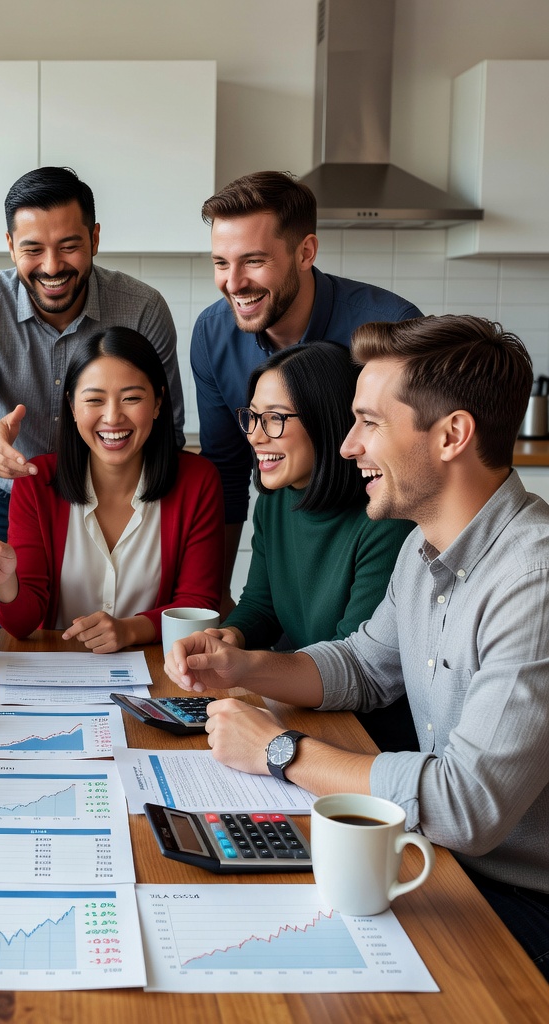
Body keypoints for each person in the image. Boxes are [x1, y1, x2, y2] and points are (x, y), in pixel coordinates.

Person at [167, 314, 549, 979]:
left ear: (452, 436)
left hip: (516, 900)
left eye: (370, 423)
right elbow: (363, 668)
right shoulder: (422, 548)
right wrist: (241, 664)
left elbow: (465, 805)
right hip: (433, 855)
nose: (348, 447)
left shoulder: (532, 583)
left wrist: (280, 752)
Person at [0, 166, 186, 610]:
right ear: (11, 244)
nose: (52, 267)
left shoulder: (142, 308)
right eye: (33, 249)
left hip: (113, 504)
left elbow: (169, 425)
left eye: (69, 246)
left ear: (94, 238)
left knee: (110, 633)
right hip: (5, 498)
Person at [190, 170, 422, 605]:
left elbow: (414, 462)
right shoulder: (212, 334)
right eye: (221, 263)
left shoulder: (391, 326)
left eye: (253, 261)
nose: (234, 283)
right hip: (286, 535)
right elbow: (226, 467)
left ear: (305, 252)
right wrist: (215, 593)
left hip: (379, 541)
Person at [0, 327, 223, 651]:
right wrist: (4, 581)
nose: (113, 417)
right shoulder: (37, 481)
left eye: (131, 398)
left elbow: (196, 605)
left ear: (158, 402)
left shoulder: (198, 481)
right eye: (94, 400)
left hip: (159, 669)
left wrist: (129, 630)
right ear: (72, 406)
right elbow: (21, 625)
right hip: (54, 675)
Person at [217, 341, 416, 750]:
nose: (255, 435)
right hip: (302, 706)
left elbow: (355, 666)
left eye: (274, 419)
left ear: (328, 422)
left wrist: (248, 669)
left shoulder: (383, 521)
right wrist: (230, 638)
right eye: (252, 417)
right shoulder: (275, 500)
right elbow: (261, 605)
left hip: (364, 736)